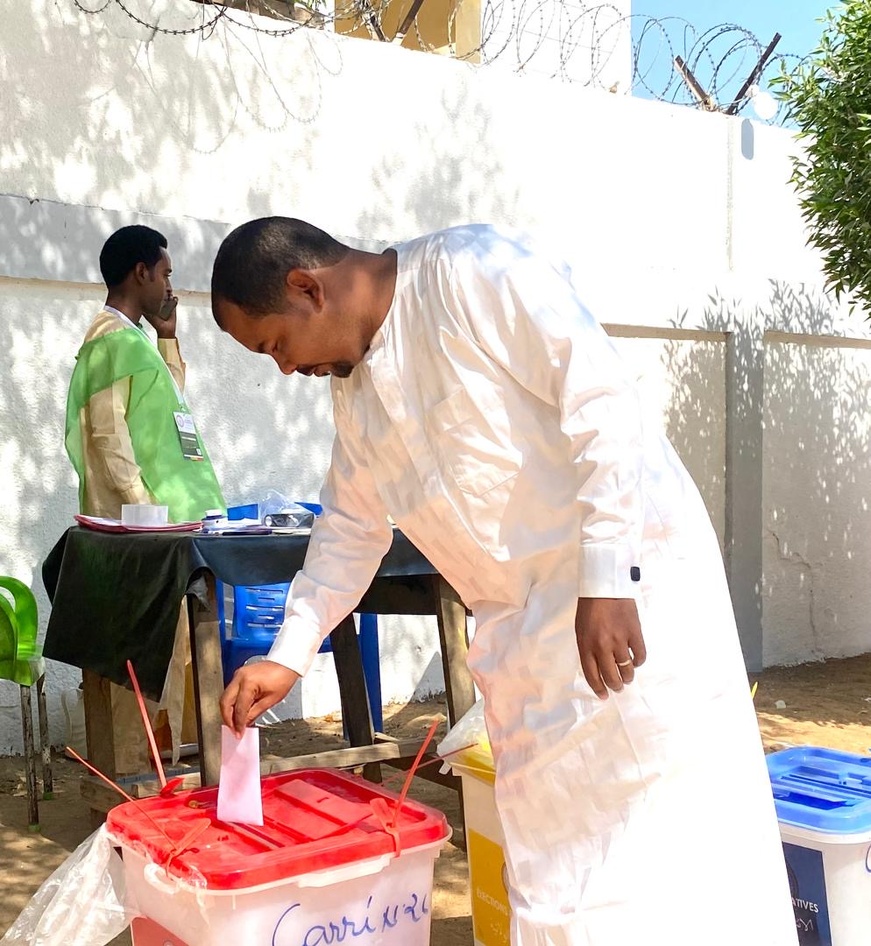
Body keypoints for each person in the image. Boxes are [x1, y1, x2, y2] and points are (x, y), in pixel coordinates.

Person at [211, 217, 797, 945]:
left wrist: (607, 576)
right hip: (524, 648)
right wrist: (288, 654)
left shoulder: (470, 271)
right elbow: (350, 530)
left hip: (631, 602)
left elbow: (601, 400)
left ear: (308, 288)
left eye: (274, 345)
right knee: (556, 887)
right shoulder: (355, 397)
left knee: (676, 856)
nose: (284, 369)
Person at [65, 225, 225, 774]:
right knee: (142, 654)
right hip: (141, 531)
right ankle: (133, 777)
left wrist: (168, 337)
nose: (170, 286)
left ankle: (167, 768)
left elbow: (172, 407)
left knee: (177, 648)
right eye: (166, 274)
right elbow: (108, 437)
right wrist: (145, 514)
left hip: (167, 527)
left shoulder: (133, 340)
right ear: (141, 273)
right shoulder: (108, 338)